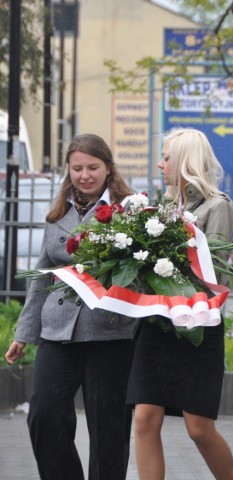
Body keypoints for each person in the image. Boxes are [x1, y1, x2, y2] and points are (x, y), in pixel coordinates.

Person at [4, 133, 137, 480]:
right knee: (43, 416)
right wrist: (24, 333)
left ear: (108, 167)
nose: (85, 175)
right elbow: (41, 279)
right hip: (58, 329)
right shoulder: (58, 211)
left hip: (110, 331)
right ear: (68, 170)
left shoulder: (131, 208)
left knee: (109, 428)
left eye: (93, 167)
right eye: (77, 168)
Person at [126, 128, 233, 480]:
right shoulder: (166, 206)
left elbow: (216, 273)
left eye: (166, 157)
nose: (160, 164)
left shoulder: (218, 206)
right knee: (144, 417)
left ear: (185, 160)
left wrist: (169, 266)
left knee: (198, 427)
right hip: (158, 324)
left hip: (197, 327)